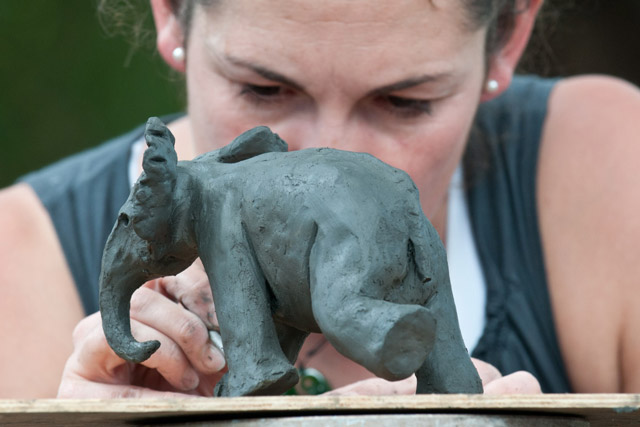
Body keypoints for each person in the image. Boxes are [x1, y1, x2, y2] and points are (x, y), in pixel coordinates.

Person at [2, 0, 639, 398]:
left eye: (405, 101)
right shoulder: (21, 260)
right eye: (264, 89)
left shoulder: (609, 162)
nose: (331, 154)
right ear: (169, 14)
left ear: (508, 37)